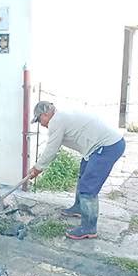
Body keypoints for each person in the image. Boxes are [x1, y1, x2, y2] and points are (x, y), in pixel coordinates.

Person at [29, 101, 126, 240]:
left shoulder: (56, 121)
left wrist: (37, 168)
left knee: (88, 187)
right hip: (96, 147)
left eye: (39, 120)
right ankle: (79, 208)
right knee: (83, 175)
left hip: (107, 147)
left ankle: (89, 228)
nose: (41, 124)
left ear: (45, 114)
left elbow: (51, 149)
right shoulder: (61, 116)